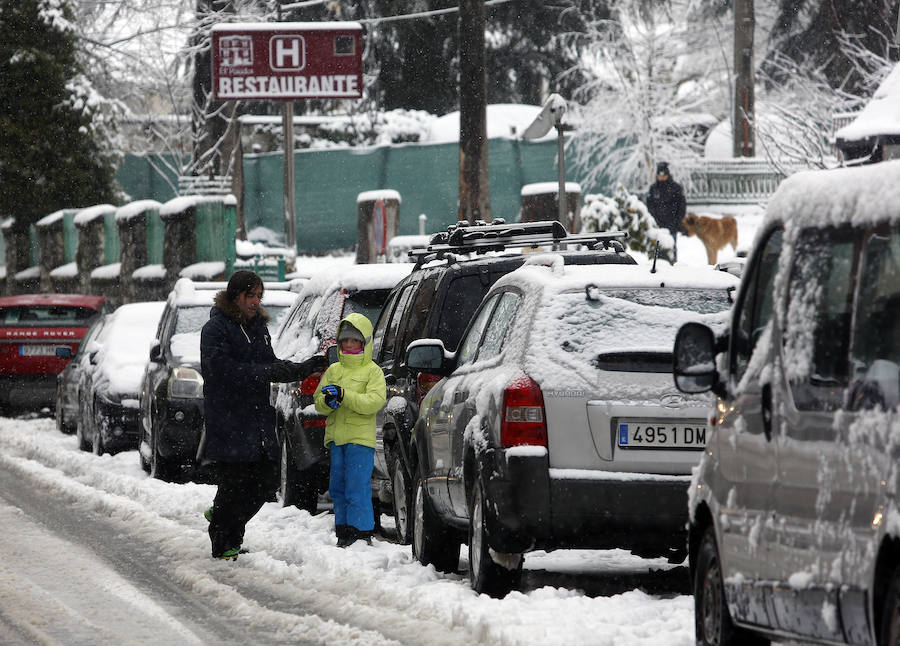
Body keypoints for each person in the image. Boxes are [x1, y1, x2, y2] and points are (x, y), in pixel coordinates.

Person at [199, 270, 327, 560]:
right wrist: (264, 373)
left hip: (257, 417)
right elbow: (221, 371)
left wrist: (302, 368)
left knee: (266, 482)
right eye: (250, 295)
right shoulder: (215, 329)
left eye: (259, 296)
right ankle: (223, 542)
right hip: (229, 417)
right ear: (235, 296)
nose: (256, 301)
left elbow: (269, 364)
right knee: (235, 482)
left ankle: (223, 517)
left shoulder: (258, 327)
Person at [313, 313, 386, 547]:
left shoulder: (372, 371)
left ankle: (361, 532)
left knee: (357, 486)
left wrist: (345, 396)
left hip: (360, 440)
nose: (347, 345)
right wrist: (329, 402)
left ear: (364, 342)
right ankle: (343, 531)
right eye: (344, 341)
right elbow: (318, 401)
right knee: (338, 487)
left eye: (353, 341)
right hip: (337, 438)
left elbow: (374, 402)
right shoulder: (334, 370)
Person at [646, 161, 687, 262]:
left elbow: (681, 207)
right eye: (659, 175)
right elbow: (650, 206)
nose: (661, 177)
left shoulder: (675, 188)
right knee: (657, 252)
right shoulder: (653, 189)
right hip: (657, 226)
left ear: (668, 175)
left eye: (663, 175)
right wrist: (654, 221)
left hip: (671, 226)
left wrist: (677, 222)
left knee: (671, 251)